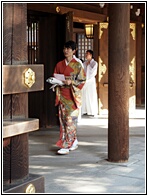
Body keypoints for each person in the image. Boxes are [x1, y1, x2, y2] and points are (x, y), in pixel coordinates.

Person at [53, 40, 86, 155]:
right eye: (64, 48)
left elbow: (82, 80)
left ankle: (66, 145)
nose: (66, 51)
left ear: (74, 51)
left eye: (68, 49)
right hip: (62, 95)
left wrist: (71, 81)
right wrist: (56, 81)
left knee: (70, 121)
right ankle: (73, 141)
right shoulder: (59, 64)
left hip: (72, 96)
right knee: (63, 121)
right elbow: (55, 76)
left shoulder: (77, 65)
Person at [81, 50, 98, 116]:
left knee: (91, 95)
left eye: (87, 54)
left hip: (90, 81)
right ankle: (84, 110)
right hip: (85, 81)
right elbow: (82, 71)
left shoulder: (94, 63)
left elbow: (93, 72)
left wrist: (88, 66)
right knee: (84, 95)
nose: (86, 55)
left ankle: (92, 111)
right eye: (86, 54)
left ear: (91, 55)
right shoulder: (85, 63)